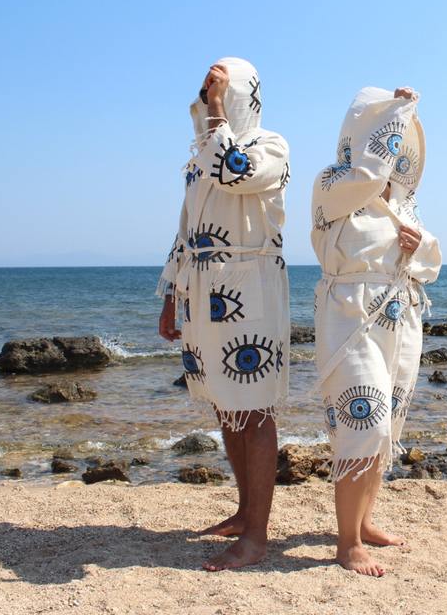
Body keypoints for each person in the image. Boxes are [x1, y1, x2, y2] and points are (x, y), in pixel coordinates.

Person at [157, 57, 290, 571]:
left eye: (220, 89)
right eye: (206, 90)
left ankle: (257, 536)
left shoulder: (270, 146)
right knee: (226, 406)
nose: (211, 97)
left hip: (249, 289)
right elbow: (185, 228)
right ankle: (244, 512)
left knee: (253, 410)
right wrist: (171, 296)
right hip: (202, 291)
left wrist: (215, 111)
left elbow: (234, 172)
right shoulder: (198, 159)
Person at [311, 86, 442, 576]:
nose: (392, 145)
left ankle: (364, 523)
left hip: (400, 317)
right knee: (362, 422)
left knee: (387, 425)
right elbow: (366, 175)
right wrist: (398, 107)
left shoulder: (405, 203)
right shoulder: (334, 183)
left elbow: (430, 265)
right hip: (350, 314)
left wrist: (417, 244)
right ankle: (347, 543)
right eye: (388, 132)